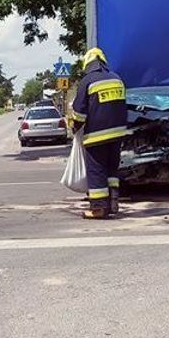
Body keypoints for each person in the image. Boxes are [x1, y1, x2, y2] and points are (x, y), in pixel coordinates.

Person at [71, 48, 128, 219]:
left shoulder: (87, 81)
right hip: (118, 134)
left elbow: (79, 113)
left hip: (97, 135)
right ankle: (113, 202)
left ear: (87, 64)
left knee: (97, 171)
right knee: (112, 170)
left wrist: (75, 128)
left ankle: (98, 208)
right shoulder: (117, 78)